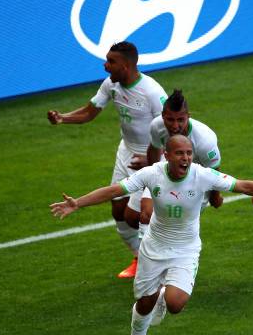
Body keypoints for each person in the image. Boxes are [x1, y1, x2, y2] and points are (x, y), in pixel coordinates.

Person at [50, 135, 253, 335]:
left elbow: (244, 186)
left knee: (176, 304)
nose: (186, 158)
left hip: (185, 250)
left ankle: (165, 296)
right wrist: (78, 203)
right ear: (167, 155)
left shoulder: (202, 175)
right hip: (153, 248)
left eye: (189, 153)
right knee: (144, 304)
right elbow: (114, 190)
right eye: (180, 153)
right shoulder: (151, 174)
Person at [47, 41, 167, 278]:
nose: (105, 66)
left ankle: (161, 259)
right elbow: (89, 111)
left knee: (134, 216)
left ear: (126, 65)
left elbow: (172, 128)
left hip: (151, 157)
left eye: (111, 62)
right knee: (118, 211)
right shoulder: (111, 84)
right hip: (126, 152)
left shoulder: (152, 92)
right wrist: (63, 118)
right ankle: (138, 256)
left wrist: (154, 157)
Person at [121, 89, 223, 278]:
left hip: (195, 182)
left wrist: (216, 198)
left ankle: (167, 269)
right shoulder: (156, 126)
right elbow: (154, 148)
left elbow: (214, 172)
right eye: (170, 120)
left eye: (180, 120)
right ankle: (146, 263)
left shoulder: (205, 140)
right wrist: (148, 179)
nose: (175, 125)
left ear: (188, 117)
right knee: (133, 216)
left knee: (171, 226)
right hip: (164, 171)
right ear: (163, 116)